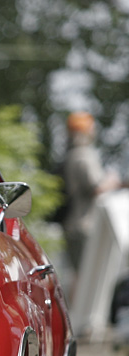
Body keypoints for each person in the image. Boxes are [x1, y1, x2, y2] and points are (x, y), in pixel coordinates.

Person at [62, 111, 122, 273]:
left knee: (79, 276)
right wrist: (113, 180)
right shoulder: (83, 155)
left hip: (73, 225)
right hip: (85, 226)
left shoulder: (70, 155)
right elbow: (96, 187)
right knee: (91, 276)